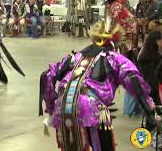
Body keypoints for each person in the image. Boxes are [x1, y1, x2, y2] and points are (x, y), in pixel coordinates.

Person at [39, 20, 158, 151]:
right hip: (92, 107)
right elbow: (133, 80)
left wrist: (51, 107)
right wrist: (149, 107)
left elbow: (47, 75)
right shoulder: (114, 57)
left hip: (62, 106)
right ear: (114, 43)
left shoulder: (75, 56)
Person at [138, 31, 162, 131]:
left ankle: (151, 127)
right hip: (152, 87)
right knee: (154, 109)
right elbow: (154, 75)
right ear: (156, 41)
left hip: (148, 87)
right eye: (161, 40)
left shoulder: (147, 54)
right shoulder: (152, 57)